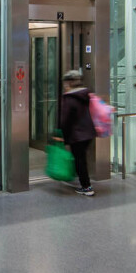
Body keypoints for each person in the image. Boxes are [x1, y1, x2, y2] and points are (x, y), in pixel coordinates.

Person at [57, 69, 97, 197]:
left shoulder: (70, 98)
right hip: (88, 132)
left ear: (69, 82)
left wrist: (62, 136)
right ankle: (83, 182)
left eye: (65, 82)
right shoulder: (85, 94)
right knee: (81, 159)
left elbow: (65, 120)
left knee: (80, 160)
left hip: (78, 134)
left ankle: (86, 186)